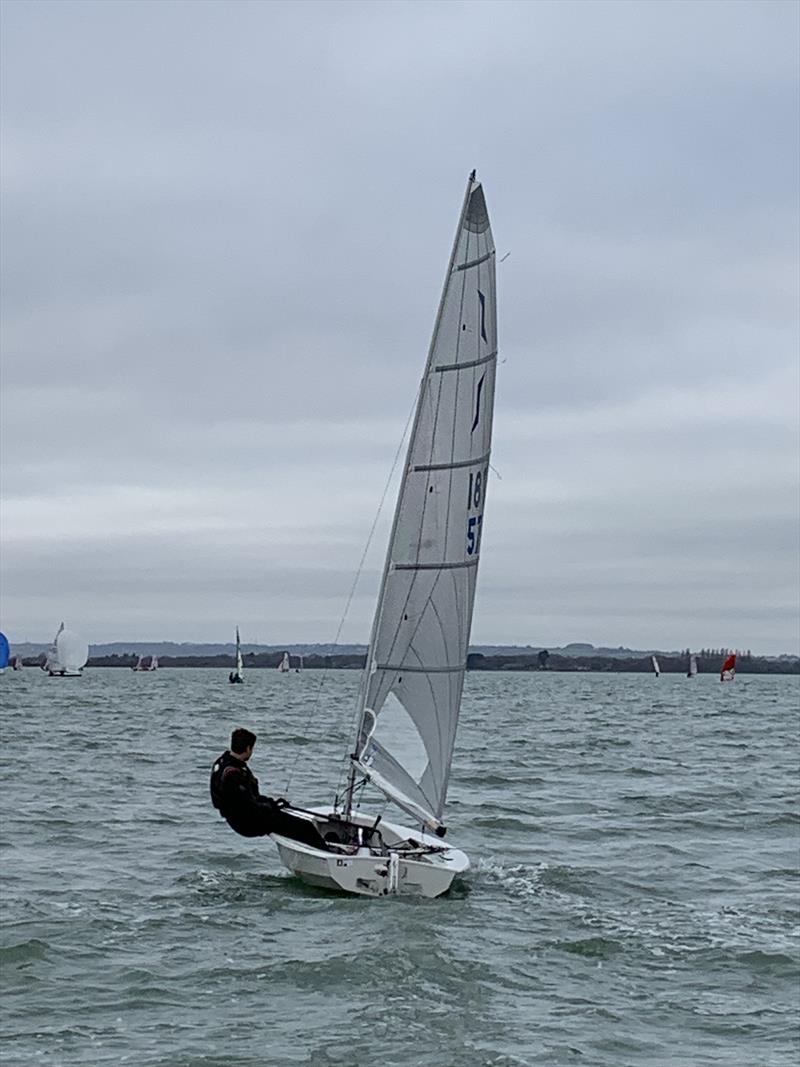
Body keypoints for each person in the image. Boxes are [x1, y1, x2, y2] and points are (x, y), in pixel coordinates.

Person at [210, 727, 282, 837]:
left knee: (281, 811)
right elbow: (248, 806)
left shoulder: (222, 762)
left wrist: (271, 803)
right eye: (252, 749)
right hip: (245, 823)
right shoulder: (233, 775)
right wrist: (270, 807)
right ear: (248, 748)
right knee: (289, 821)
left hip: (239, 817)